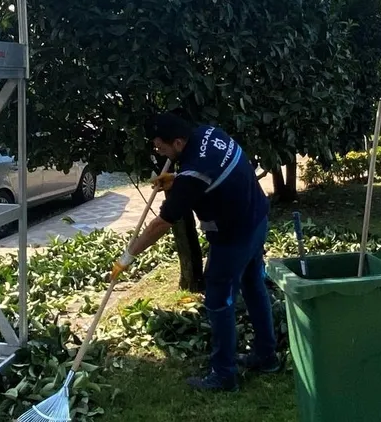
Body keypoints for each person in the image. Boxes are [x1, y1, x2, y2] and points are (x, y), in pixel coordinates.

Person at [111, 113, 277, 392]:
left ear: (178, 142)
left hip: (234, 236)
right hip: (256, 217)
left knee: (218, 300)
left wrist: (128, 256)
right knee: (252, 284)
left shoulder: (193, 175)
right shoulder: (209, 133)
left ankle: (224, 374)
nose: (158, 151)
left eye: (161, 146)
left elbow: (161, 223)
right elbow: (211, 170)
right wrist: (176, 179)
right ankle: (267, 356)